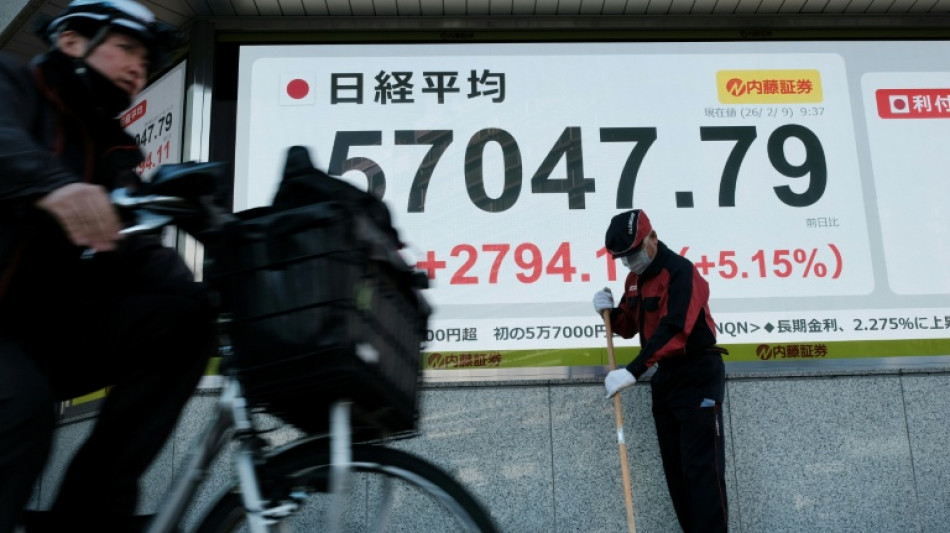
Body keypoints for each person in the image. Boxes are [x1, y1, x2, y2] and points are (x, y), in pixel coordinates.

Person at [0, 1, 215, 531]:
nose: (138, 69)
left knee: (186, 321)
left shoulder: (112, 146)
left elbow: (135, 240)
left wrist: (220, 280)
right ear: (72, 42)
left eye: (146, 60)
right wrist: (55, 186)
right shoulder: (12, 83)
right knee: (24, 410)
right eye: (126, 49)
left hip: (46, 330)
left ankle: (92, 509)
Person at [593, 209, 728, 533]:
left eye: (634, 254)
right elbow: (626, 326)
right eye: (623, 259)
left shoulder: (681, 273)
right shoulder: (635, 280)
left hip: (697, 374)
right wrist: (607, 313)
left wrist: (633, 370)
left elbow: (675, 329)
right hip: (666, 379)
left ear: (652, 238)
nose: (630, 263)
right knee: (678, 476)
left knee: (702, 475)